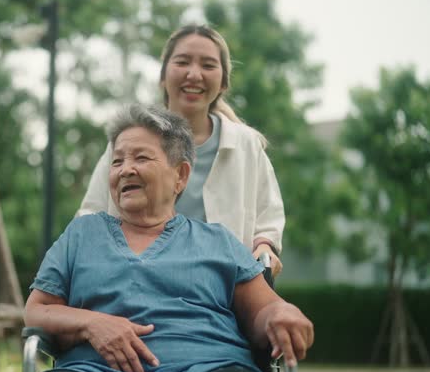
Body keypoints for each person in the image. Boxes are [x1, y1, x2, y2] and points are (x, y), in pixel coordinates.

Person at [23, 104, 313, 372]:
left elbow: (262, 309)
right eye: (117, 160)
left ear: (181, 175)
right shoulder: (81, 235)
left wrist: (280, 314)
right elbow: (38, 310)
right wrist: (93, 323)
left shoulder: (217, 241)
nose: (125, 169)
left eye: (141, 158)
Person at [78, 24, 285, 276]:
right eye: (183, 62)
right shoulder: (128, 140)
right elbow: (90, 213)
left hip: (223, 291)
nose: (194, 74)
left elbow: (268, 218)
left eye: (208, 65)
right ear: (163, 77)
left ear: (223, 84)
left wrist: (264, 248)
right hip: (137, 283)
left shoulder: (246, 145)